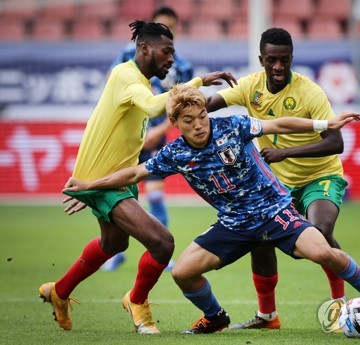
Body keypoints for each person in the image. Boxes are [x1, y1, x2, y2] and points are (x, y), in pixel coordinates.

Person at [63, 84, 360, 334]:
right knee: (182, 272)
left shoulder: (232, 126)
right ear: (177, 124)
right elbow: (136, 171)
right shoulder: (175, 154)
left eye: (201, 115)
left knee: (324, 251)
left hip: (275, 212)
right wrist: (88, 185)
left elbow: (278, 124)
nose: (199, 123)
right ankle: (215, 317)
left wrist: (325, 125)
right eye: (189, 120)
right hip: (232, 225)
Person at [38, 20, 236, 334]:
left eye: (173, 51)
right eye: (166, 51)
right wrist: (197, 82)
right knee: (162, 243)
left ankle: (59, 292)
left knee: (113, 243)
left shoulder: (139, 81)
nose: (171, 58)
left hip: (119, 179)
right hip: (104, 181)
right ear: (144, 48)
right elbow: (155, 107)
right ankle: (137, 301)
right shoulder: (125, 75)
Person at [206, 27, 350, 331]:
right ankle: (267, 317)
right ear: (261, 59)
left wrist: (287, 153)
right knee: (260, 238)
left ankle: (340, 308)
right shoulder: (249, 87)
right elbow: (207, 106)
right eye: (272, 60)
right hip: (277, 186)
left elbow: (336, 142)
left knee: (320, 232)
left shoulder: (310, 92)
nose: (279, 67)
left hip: (319, 176)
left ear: (292, 58)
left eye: (285, 60)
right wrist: (185, 102)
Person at [101, 6, 194, 272]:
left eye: (172, 28)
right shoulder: (128, 56)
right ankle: (115, 253)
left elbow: (181, 106)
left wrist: (160, 131)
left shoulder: (182, 66)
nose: (168, 31)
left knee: (154, 194)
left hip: (154, 138)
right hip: (127, 137)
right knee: (119, 196)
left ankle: (159, 253)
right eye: (162, 26)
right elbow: (111, 85)